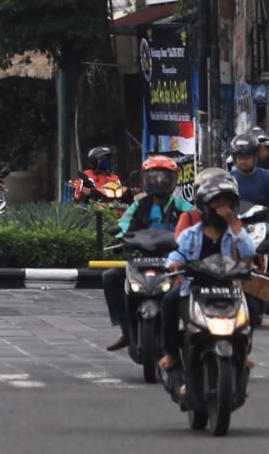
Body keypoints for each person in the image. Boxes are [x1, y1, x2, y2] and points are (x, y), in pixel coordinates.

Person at [159, 169, 256, 375]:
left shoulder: (235, 231)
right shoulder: (190, 234)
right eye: (217, 204)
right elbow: (177, 254)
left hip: (228, 289)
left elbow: (250, 251)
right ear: (205, 205)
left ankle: (242, 356)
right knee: (168, 303)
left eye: (227, 204)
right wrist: (174, 264)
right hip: (194, 289)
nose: (223, 209)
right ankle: (171, 353)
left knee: (253, 308)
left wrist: (234, 224)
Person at [103, 154, 193, 350]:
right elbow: (125, 223)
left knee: (191, 286)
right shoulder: (138, 205)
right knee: (110, 277)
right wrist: (120, 236)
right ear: (145, 179)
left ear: (173, 180)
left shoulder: (180, 205)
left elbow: (197, 219)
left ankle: (191, 331)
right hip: (141, 259)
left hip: (171, 261)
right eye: (154, 176)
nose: (159, 181)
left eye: (165, 177)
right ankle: (125, 329)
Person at [228, 132, 269, 275]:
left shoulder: (268, 177)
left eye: (247, 157)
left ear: (255, 157)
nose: (243, 161)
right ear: (234, 159)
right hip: (235, 223)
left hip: (263, 222)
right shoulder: (228, 179)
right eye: (240, 158)